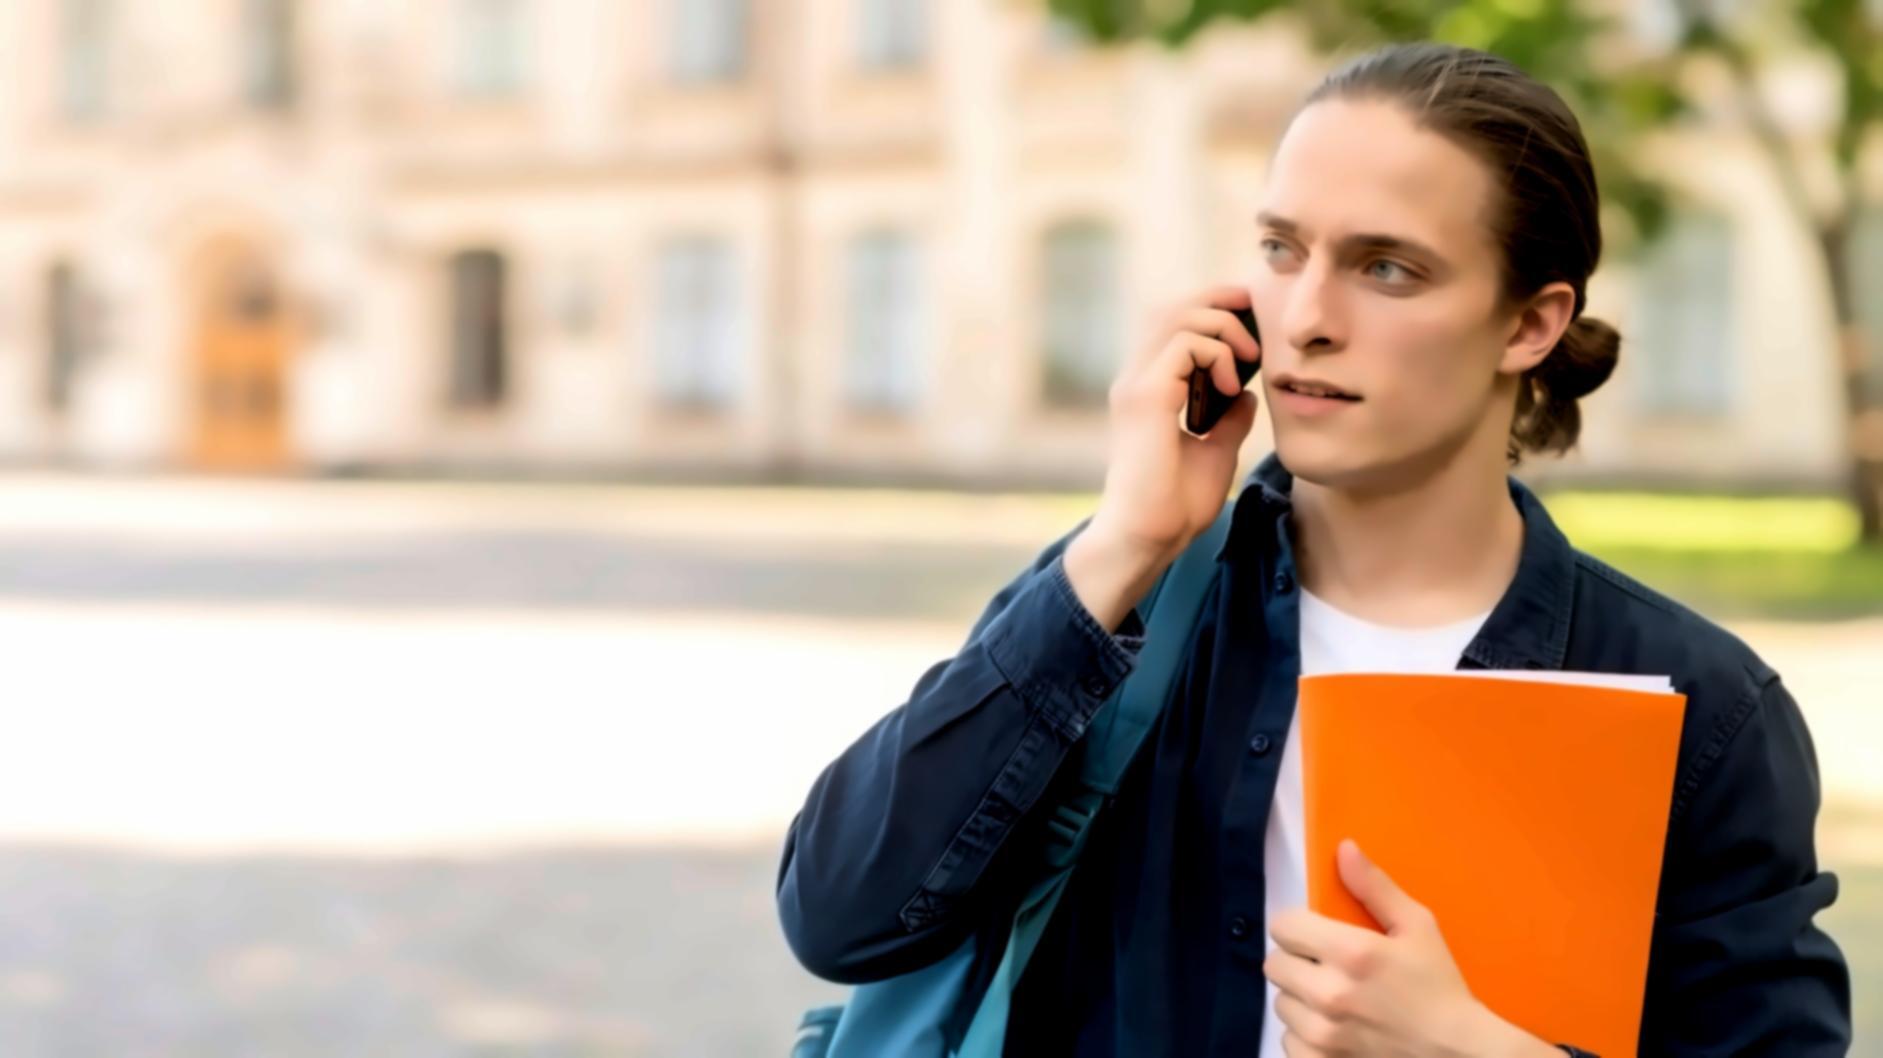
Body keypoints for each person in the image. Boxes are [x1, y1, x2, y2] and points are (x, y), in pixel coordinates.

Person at [776, 41, 1851, 1057]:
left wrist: (1476, 1045)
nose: (1305, 317)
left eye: (1385, 268)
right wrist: (1124, 541)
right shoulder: (1124, 597)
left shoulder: (1696, 708)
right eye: (1281, 250)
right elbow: (840, 917)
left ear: (1527, 323)